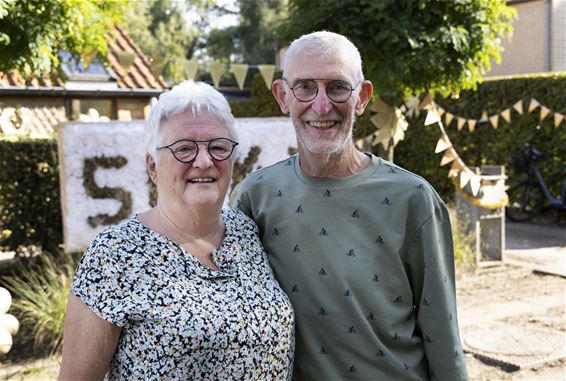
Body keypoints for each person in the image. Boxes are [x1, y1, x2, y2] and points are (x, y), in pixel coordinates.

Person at [230, 31, 468, 380]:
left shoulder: (413, 199)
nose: (322, 105)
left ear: (362, 98)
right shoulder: (254, 197)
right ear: (283, 96)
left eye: (338, 87)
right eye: (305, 87)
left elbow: (442, 333)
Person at [59, 81, 295, 380]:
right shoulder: (113, 255)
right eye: (184, 148)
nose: (204, 161)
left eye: (218, 147)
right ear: (153, 166)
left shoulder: (248, 233)